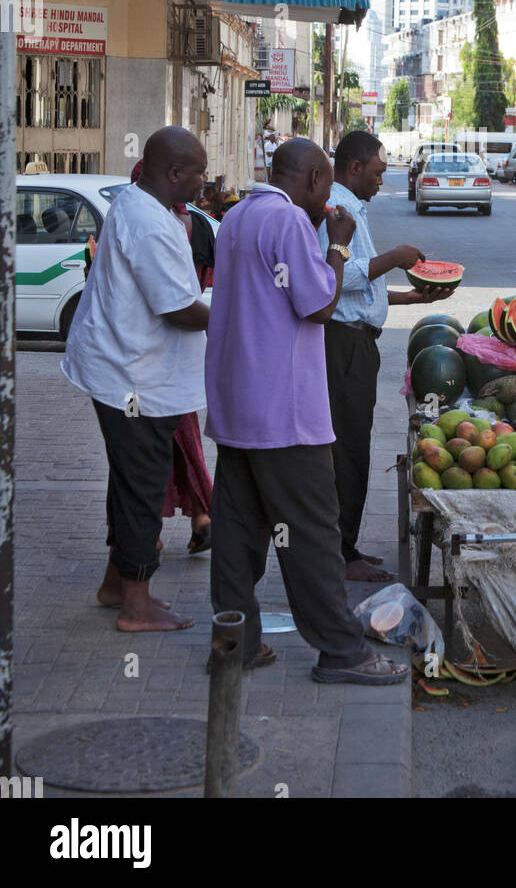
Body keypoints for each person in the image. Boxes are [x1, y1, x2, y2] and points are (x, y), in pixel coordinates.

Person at [205, 137, 408, 683]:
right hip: (284, 409)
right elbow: (319, 304)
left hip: (237, 402)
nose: (328, 203)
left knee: (237, 529)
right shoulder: (292, 222)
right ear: (316, 179)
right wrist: (337, 246)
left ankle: (235, 641)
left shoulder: (237, 217)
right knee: (313, 531)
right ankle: (342, 652)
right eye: (325, 188)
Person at [61, 127, 210, 632]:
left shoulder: (138, 203)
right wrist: (236, 307)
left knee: (130, 484)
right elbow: (179, 311)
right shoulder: (148, 222)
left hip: (127, 372)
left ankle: (114, 585)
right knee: (143, 488)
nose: (203, 183)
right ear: (173, 173)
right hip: (132, 381)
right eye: (197, 173)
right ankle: (135, 606)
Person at [318, 131, 454, 583]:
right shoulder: (336, 210)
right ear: (354, 167)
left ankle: (346, 545)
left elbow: (362, 292)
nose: (381, 182)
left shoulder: (353, 207)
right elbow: (336, 276)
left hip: (356, 340)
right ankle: (339, 552)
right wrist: (395, 256)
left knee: (354, 445)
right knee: (347, 449)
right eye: (377, 173)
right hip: (341, 345)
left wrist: (411, 298)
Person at [128, 159, 214, 555]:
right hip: (177, 360)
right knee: (182, 444)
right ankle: (199, 514)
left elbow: (175, 305)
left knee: (139, 461)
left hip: (152, 365)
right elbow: (203, 286)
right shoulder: (187, 223)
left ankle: (139, 539)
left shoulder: (159, 223)